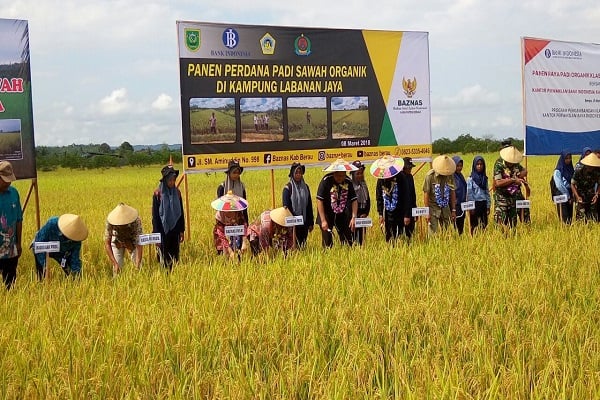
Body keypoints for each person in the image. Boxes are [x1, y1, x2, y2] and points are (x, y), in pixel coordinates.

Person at [316, 159, 358, 248]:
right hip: (326, 213)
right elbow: (319, 200)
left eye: (343, 175)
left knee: (347, 239)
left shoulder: (348, 181)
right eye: (338, 175)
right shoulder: (326, 180)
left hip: (342, 213)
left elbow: (354, 200)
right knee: (327, 240)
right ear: (334, 173)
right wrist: (323, 220)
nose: (341, 178)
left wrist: (354, 217)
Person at [33, 214, 88, 279]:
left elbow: (75, 258)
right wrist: (45, 268)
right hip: (45, 247)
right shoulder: (52, 224)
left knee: (72, 274)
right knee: (42, 274)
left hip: (63, 253)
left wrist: (76, 275)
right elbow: (39, 245)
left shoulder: (77, 238)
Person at [152, 165, 185, 270]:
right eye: (170, 180)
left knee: (174, 254)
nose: (172, 182)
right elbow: (155, 215)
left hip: (175, 229)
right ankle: (164, 276)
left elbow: (180, 213)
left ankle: (174, 275)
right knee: (163, 255)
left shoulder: (177, 193)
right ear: (165, 180)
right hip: (162, 229)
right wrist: (156, 233)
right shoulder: (158, 194)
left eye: (173, 180)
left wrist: (181, 230)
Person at [372, 156, 410, 242]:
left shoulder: (401, 177)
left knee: (400, 236)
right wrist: (381, 214)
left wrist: (407, 215)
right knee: (389, 236)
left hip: (400, 212)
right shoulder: (381, 180)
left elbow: (406, 197)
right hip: (388, 213)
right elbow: (379, 198)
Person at [0, 161, 22, 289]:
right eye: (5, 180)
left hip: (10, 249)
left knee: (10, 284)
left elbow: (19, 219)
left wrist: (18, 243)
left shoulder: (14, 193)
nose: (9, 183)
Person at [104, 203, 143, 276]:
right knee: (117, 270)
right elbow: (107, 243)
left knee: (139, 267)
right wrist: (114, 263)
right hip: (117, 240)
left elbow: (139, 243)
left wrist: (138, 263)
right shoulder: (110, 222)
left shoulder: (136, 221)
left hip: (132, 239)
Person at [282, 162, 314, 247]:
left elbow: (309, 206)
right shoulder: (288, 188)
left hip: (304, 222)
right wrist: (295, 218)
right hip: (293, 223)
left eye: (300, 173)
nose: (298, 175)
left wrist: (311, 222)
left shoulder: (306, 187)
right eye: (296, 172)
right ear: (292, 174)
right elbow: (286, 207)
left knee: (302, 244)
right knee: (293, 245)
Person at [423, 155, 456, 233]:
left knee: (448, 231)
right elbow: (426, 194)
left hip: (445, 206)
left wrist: (453, 210)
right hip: (433, 207)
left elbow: (452, 191)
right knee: (433, 232)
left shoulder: (449, 175)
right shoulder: (430, 176)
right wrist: (427, 212)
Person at [493, 145, 524, 228]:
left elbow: (524, 171)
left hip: (513, 198)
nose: (511, 163)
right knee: (501, 223)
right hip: (501, 198)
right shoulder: (499, 164)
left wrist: (519, 176)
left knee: (513, 224)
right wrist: (513, 180)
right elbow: (498, 183)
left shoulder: (516, 164)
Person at [571, 152, 600, 222]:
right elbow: (572, 184)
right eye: (589, 166)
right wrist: (577, 197)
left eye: (592, 166)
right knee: (581, 219)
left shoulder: (596, 171)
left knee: (593, 219)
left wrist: (597, 194)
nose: (591, 168)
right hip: (581, 197)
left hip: (592, 197)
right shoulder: (578, 171)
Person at [466, 156, 491, 234]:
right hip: (475, 204)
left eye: (481, 164)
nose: (479, 166)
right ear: (474, 165)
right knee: (474, 225)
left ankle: (483, 240)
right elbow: (470, 193)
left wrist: (488, 206)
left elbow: (487, 192)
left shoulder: (484, 178)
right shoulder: (470, 179)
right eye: (477, 164)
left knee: (484, 225)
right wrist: (472, 207)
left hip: (483, 203)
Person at [551, 152, 575, 224]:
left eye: (570, 158)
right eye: (566, 158)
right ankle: (564, 232)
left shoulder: (571, 169)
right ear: (562, 159)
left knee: (570, 215)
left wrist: (572, 195)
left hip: (570, 193)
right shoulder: (558, 171)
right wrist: (567, 196)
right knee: (564, 215)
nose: (568, 160)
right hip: (561, 194)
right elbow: (559, 185)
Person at [350, 160, 370, 245]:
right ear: (353, 175)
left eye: (361, 173)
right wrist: (355, 215)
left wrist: (366, 213)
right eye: (357, 173)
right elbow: (348, 202)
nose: (360, 175)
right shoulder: (350, 186)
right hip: (353, 217)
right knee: (353, 238)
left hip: (363, 216)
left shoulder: (364, 185)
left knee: (361, 239)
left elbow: (368, 200)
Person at [400, 157, 418, 239]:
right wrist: (406, 214)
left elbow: (413, 195)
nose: (410, 169)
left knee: (410, 232)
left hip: (411, 209)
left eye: (411, 167)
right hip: (402, 211)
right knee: (402, 234)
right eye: (409, 167)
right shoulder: (400, 178)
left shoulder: (410, 177)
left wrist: (415, 210)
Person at [452, 156, 467, 235]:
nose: (459, 168)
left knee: (461, 226)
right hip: (455, 206)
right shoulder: (451, 177)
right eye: (457, 166)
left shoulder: (461, 176)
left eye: (461, 166)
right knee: (455, 227)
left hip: (462, 205)